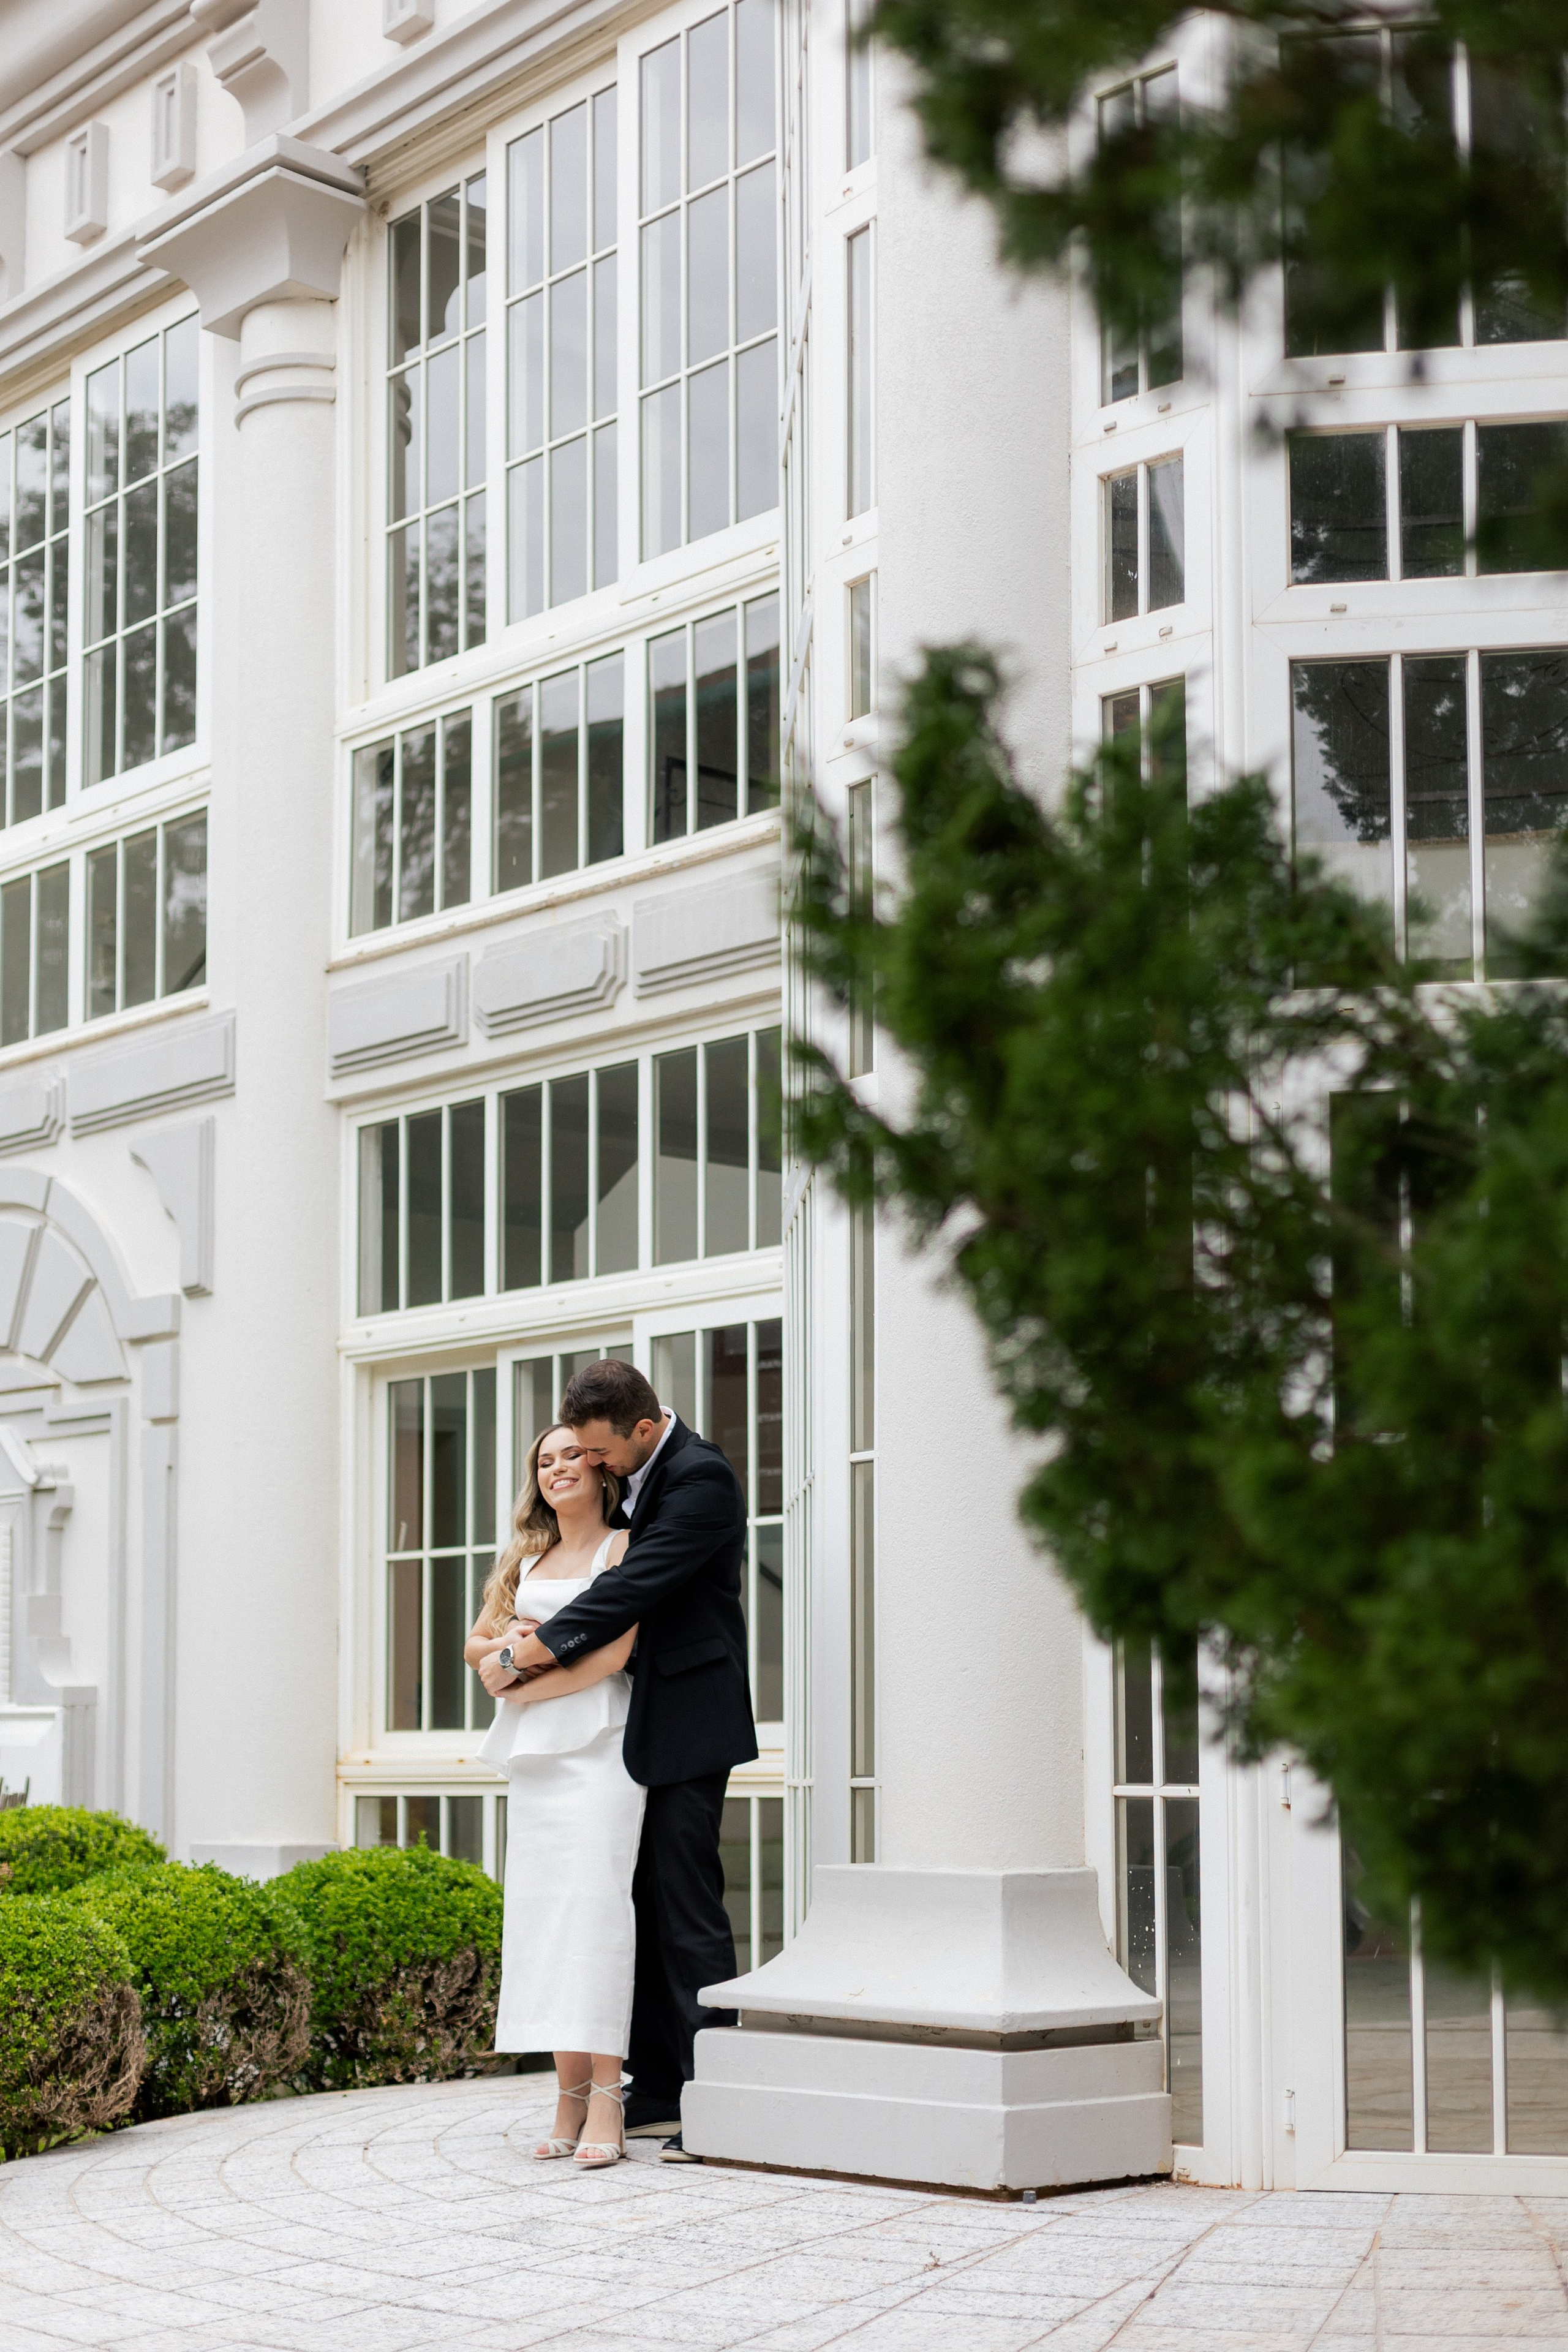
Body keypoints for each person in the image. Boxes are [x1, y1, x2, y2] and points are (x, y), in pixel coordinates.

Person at [494, 1359, 756, 2161]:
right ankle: (659, 2083)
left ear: (643, 1429)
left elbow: (634, 1585)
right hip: (623, 1729)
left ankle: (721, 2096)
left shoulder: (701, 1478)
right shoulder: (633, 1471)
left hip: (687, 1718)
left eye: (600, 1452)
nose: (593, 1465)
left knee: (684, 1902)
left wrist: (534, 1649)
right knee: (629, 1899)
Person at [465, 1425, 642, 2169]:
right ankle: (566, 2096)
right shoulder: (526, 1559)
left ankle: (609, 2096)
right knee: (546, 1916)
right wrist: (506, 1657)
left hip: (601, 1750)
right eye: (545, 1459)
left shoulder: (620, 1550)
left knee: (596, 1911)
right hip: (536, 1759)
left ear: (601, 1469)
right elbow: (476, 1644)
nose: (558, 1467)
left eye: (572, 1454)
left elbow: (613, 1655)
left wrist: (518, 1678)